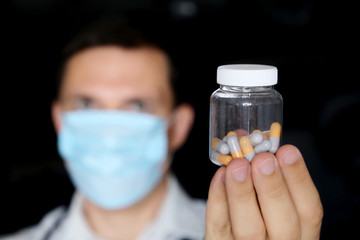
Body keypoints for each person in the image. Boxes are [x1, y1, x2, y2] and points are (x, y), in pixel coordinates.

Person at [1, 17, 323, 240]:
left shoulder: (257, 231)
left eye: (137, 105)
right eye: (87, 104)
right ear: (59, 122)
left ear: (178, 127)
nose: (111, 131)